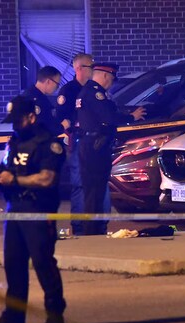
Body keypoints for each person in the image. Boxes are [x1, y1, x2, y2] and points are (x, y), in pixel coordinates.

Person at [0, 95, 67, 323]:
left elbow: (47, 178)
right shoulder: (14, 142)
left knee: (43, 262)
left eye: (19, 120)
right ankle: (13, 316)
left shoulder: (48, 144)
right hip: (15, 209)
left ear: (31, 117)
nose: (15, 125)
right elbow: (7, 168)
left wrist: (16, 179)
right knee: (13, 264)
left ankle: (54, 315)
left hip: (38, 209)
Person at [76, 63, 146, 235]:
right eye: (112, 79)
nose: (111, 84)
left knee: (94, 189)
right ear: (106, 76)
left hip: (91, 144)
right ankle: (92, 230)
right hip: (95, 146)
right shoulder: (96, 93)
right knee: (95, 190)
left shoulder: (88, 91)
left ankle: (93, 228)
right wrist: (131, 117)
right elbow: (109, 117)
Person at [55, 53, 94, 236]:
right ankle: (78, 224)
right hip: (76, 142)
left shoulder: (93, 89)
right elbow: (63, 118)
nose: (93, 69)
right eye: (89, 66)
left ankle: (94, 224)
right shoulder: (68, 91)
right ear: (79, 68)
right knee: (79, 184)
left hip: (92, 142)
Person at [22, 66, 63, 136]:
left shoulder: (31, 95)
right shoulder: (35, 100)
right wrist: (62, 126)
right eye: (57, 84)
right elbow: (44, 128)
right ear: (49, 81)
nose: (57, 88)